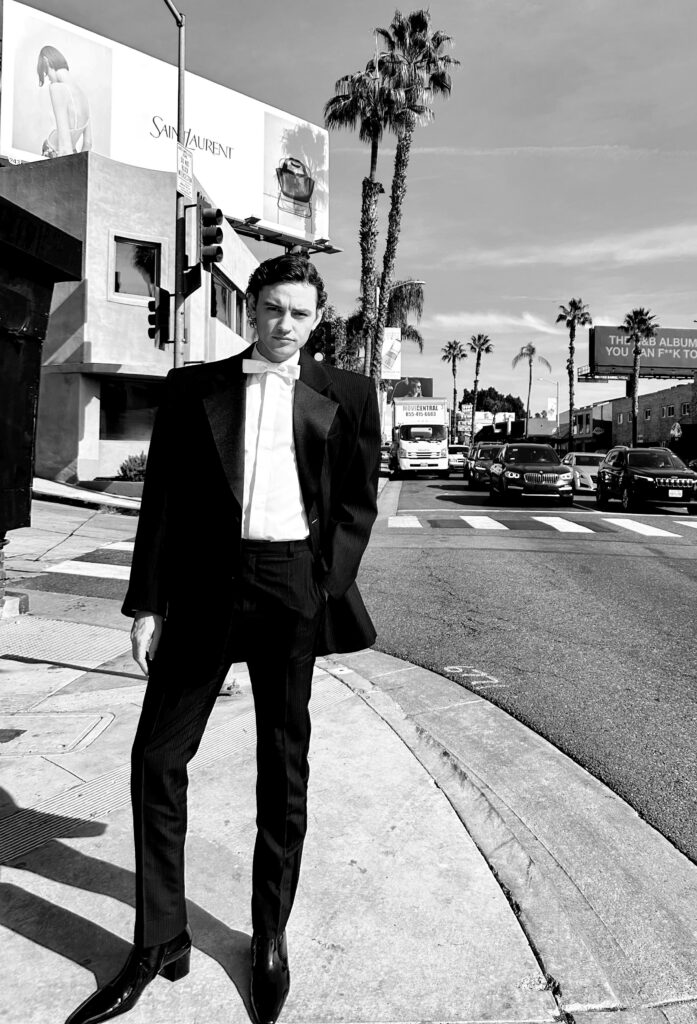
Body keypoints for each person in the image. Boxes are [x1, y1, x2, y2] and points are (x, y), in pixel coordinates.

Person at [65, 254, 380, 1024]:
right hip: (206, 590)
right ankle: (159, 940)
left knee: (282, 767)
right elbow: (163, 502)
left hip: (291, 588)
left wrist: (322, 584)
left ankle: (268, 937)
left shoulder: (349, 394)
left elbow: (356, 502)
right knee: (156, 757)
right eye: (272, 309)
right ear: (253, 309)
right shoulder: (193, 388)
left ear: (317, 318)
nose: (284, 324)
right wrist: (148, 604)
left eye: (299, 312)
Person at [37, 45, 92, 157]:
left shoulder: (57, 88)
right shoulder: (84, 96)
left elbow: (65, 148)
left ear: (46, 62)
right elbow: (88, 143)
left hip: (53, 152)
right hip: (73, 155)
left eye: (46, 73)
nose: (49, 79)